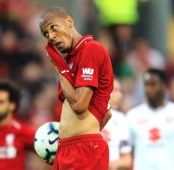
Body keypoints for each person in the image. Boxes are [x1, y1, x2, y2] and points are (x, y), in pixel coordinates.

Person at [39, 6, 114, 170]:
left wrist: (58, 67)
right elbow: (106, 112)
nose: (51, 36)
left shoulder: (91, 49)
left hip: (83, 150)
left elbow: (80, 105)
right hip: (67, 150)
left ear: (69, 22)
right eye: (46, 34)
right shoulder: (71, 61)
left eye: (53, 28)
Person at [126, 68, 174, 170]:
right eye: (146, 85)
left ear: (164, 86)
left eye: (153, 84)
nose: (149, 89)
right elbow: (127, 153)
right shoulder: (132, 116)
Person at [101, 79, 132, 170]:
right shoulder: (88, 117)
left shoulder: (121, 119)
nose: (120, 96)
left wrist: (109, 165)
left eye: (120, 91)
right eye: (115, 91)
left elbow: (127, 159)